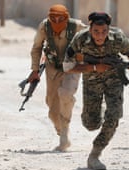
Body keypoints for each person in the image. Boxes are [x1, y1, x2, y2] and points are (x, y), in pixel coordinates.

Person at [63, 12, 129, 170]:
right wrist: (94, 67)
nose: (100, 36)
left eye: (104, 31)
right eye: (96, 32)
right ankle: (96, 113)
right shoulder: (80, 39)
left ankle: (95, 154)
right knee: (91, 124)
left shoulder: (118, 37)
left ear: (108, 29)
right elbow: (67, 67)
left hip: (114, 79)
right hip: (92, 81)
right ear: (90, 29)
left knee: (114, 116)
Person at [28, 4, 87, 151]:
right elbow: (36, 47)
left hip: (72, 67)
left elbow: (94, 39)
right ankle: (61, 131)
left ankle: (64, 137)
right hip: (53, 68)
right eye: (53, 17)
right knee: (52, 107)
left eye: (60, 17)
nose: (57, 20)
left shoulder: (77, 26)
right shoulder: (45, 26)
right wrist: (35, 70)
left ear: (66, 17)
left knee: (66, 94)